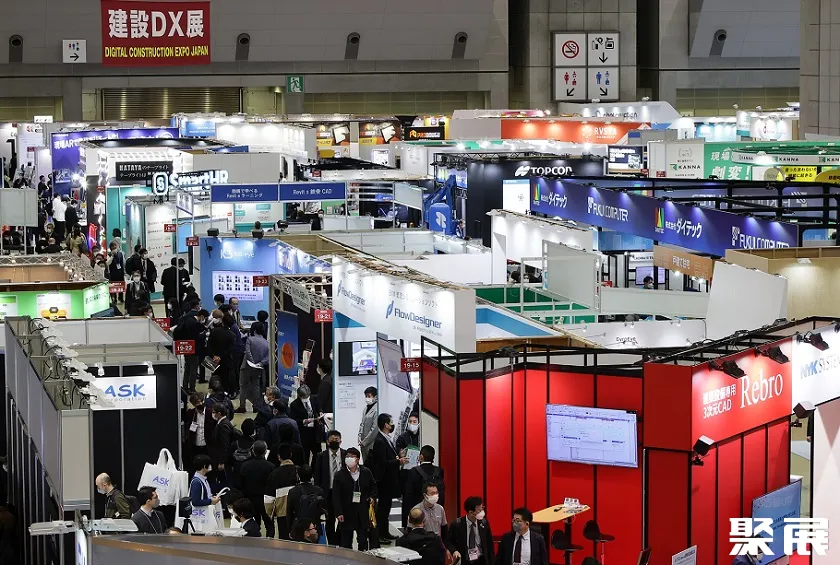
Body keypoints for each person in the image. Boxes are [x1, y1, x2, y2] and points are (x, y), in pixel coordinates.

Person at [369, 413, 407, 543]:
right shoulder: (380, 441)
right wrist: (398, 462)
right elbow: (382, 462)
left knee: (386, 508)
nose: (392, 424)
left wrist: (398, 455)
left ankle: (385, 532)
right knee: (382, 509)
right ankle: (380, 534)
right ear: (385, 424)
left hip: (390, 480)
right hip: (384, 480)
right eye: (390, 422)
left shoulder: (387, 438)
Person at [333, 447, 377, 551]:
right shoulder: (339, 475)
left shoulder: (366, 472)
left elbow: (373, 487)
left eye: (351, 456)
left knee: (363, 540)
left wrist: (372, 497)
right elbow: (336, 496)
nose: (348, 458)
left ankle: (362, 556)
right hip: (346, 511)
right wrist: (338, 512)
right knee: (346, 541)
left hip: (362, 511)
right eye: (347, 456)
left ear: (357, 459)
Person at [235, 440, 275, 538]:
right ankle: (270, 542)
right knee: (269, 524)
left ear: (252, 451)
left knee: (253, 525)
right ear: (265, 451)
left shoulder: (245, 466)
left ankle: (254, 542)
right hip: (266, 500)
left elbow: (240, 484)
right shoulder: (271, 466)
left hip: (250, 500)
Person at [313, 429, 346, 545]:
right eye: (332, 439)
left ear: (340, 441)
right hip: (328, 493)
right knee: (330, 520)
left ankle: (340, 541)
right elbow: (317, 476)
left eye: (337, 439)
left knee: (343, 519)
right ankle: (332, 544)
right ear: (327, 441)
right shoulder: (321, 456)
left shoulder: (345, 454)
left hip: (343, 493)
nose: (335, 441)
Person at [445, 496, 494, 565]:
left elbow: (490, 545)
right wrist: (454, 551)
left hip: (481, 560)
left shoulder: (484, 523)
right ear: (470, 512)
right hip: (465, 560)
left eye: (482, 508)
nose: (482, 512)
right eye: (479, 510)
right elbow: (448, 541)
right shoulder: (457, 524)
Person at [265, 443, 298, 539]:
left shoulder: (274, 474)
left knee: (284, 541)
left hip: (282, 514)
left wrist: (269, 514)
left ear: (279, 457)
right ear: (291, 454)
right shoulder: (298, 471)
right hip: (299, 513)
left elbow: (269, 499)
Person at [404, 445, 445, 523]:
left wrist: (406, 519)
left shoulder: (413, 471)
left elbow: (408, 495)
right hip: (435, 510)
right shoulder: (439, 471)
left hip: (417, 512)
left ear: (421, 457)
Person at [237, 321, 269, 413]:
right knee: (256, 386)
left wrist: (252, 362)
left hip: (246, 366)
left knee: (243, 386)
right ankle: (256, 406)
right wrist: (260, 364)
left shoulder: (250, 339)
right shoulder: (266, 342)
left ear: (254, 330)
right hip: (258, 368)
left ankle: (242, 406)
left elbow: (248, 352)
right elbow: (267, 357)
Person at [174, 305, 208, 391]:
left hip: (187, 347)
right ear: (202, 316)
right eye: (204, 318)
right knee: (193, 369)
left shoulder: (189, 319)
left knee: (187, 367)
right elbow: (196, 337)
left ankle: (185, 386)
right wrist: (204, 335)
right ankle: (192, 388)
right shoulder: (194, 324)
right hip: (194, 349)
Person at [290, 385, 322, 464]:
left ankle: (314, 468)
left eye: (307, 397)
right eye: (304, 397)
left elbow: (318, 409)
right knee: (305, 454)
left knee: (317, 453)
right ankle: (306, 469)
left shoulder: (315, 398)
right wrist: (303, 421)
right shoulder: (294, 405)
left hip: (315, 431)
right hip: (303, 432)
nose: (306, 399)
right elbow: (293, 420)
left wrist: (320, 413)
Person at [287, 464, 325, 533]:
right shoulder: (319, 491)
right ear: (311, 476)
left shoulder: (293, 491)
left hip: (299, 527)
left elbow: (289, 513)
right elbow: (323, 510)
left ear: (298, 475)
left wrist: (290, 529)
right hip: (315, 527)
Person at [207, 313, 237, 395]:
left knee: (215, 377)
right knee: (225, 378)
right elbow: (230, 349)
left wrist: (214, 356)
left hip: (214, 360)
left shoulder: (214, 331)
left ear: (222, 321)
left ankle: (214, 393)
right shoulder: (232, 335)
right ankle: (225, 394)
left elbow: (209, 345)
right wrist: (221, 357)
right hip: (226, 360)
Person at [189, 455, 222, 524]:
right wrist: (211, 501)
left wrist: (211, 498)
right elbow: (195, 502)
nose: (210, 466)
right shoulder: (196, 482)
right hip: (201, 517)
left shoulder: (203, 479)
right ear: (204, 466)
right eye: (209, 464)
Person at [185, 392, 215, 464]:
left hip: (208, 446)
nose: (200, 404)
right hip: (195, 446)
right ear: (193, 404)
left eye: (201, 401)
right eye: (197, 403)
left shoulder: (210, 413)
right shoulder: (190, 413)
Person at [209, 404, 235, 483]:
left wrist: (221, 462)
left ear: (219, 413)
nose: (213, 414)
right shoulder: (220, 422)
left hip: (221, 459)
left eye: (214, 412)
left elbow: (225, 445)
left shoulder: (224, 425)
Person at [359, 386, 379, 461]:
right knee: (365, 463)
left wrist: (365, 442)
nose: (367, 398)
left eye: (369, 396)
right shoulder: (366, 408)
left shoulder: (377, 409)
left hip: (371, 443)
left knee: (371, 464)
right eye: (366, 396)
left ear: (375, 396)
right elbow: (362, 424)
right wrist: (359, 437)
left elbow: (374, 429)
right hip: (363, 443)